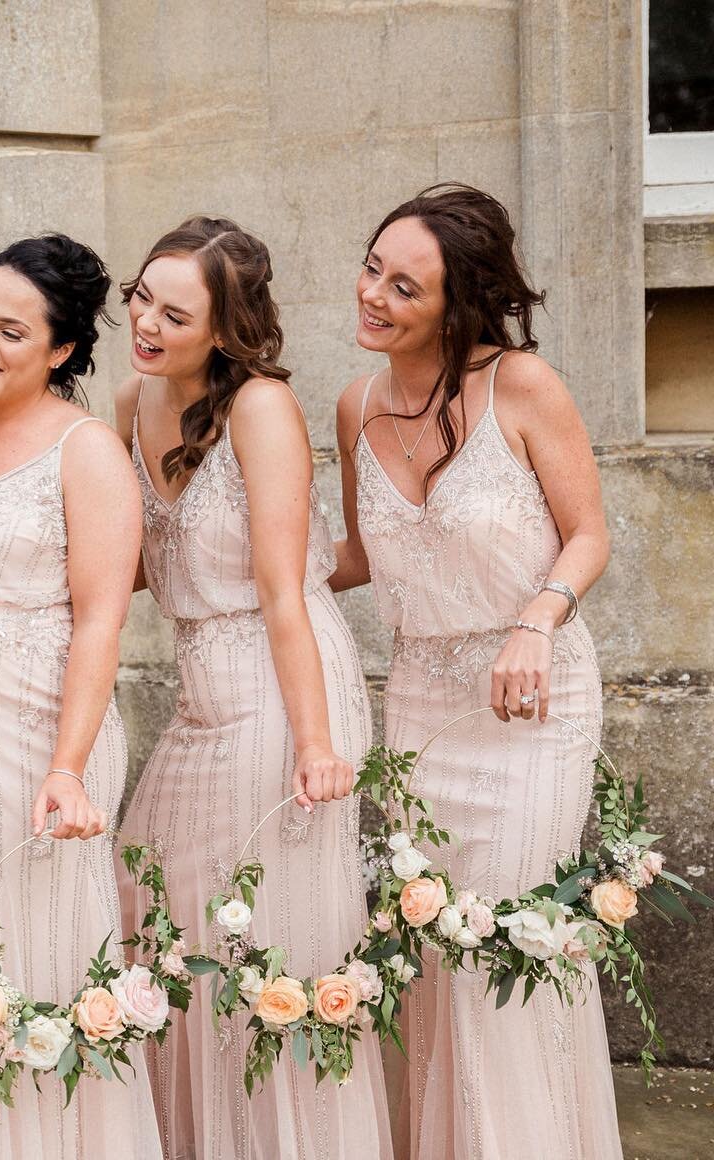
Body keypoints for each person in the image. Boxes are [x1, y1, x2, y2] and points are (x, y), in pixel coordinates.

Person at [330, 183, 620, 1159]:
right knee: (433, 961)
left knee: (505, 944)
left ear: (458, 303)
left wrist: (539, 619)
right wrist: (243, 571)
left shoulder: (525, 386)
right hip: (419, 712)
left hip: (533, 700)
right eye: (373, 266)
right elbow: (360, 558)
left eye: (402, 284)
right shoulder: (354, 404)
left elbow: (588, 535)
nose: (373, 293)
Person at [114, 216, 391, 1159]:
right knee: (157, 900)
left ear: (226, 332)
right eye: (140, 297)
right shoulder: (131, 405)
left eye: (174, 313)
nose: (147, 324)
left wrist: (317, 746)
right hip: (202, 683)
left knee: (263, 934)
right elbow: (139, 567)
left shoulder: (261, 408)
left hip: (285, 681)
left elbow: (282, 591)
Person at [0, 234, 161, 1159]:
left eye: (12, 331)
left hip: (38, 736)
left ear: (60, 350)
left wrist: (67, 766)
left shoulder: (86, 450)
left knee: (27, 965)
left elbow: (102, 620)